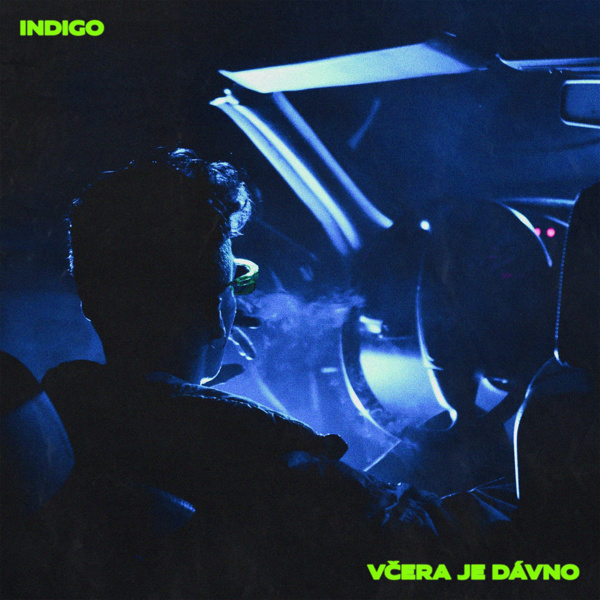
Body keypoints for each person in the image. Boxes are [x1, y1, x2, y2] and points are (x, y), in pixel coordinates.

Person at [43, 148, 518, 599]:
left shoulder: (55, 429)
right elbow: (450, 553)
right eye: (237, 279)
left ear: (90, 301)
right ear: (217, 308)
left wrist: (187, 388)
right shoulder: (266, 464)